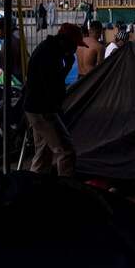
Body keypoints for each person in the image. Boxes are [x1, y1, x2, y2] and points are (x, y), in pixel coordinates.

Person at [25, 23, 86, 177]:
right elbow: (52, 85)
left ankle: (35, 186)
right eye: (74, 45)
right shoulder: (49, 54)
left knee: (43, 153)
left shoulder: (49, 50)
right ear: (65, 40)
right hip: (43, 109)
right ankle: (66, 190)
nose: (74, 49)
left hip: (36, 108)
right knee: (66, 151)